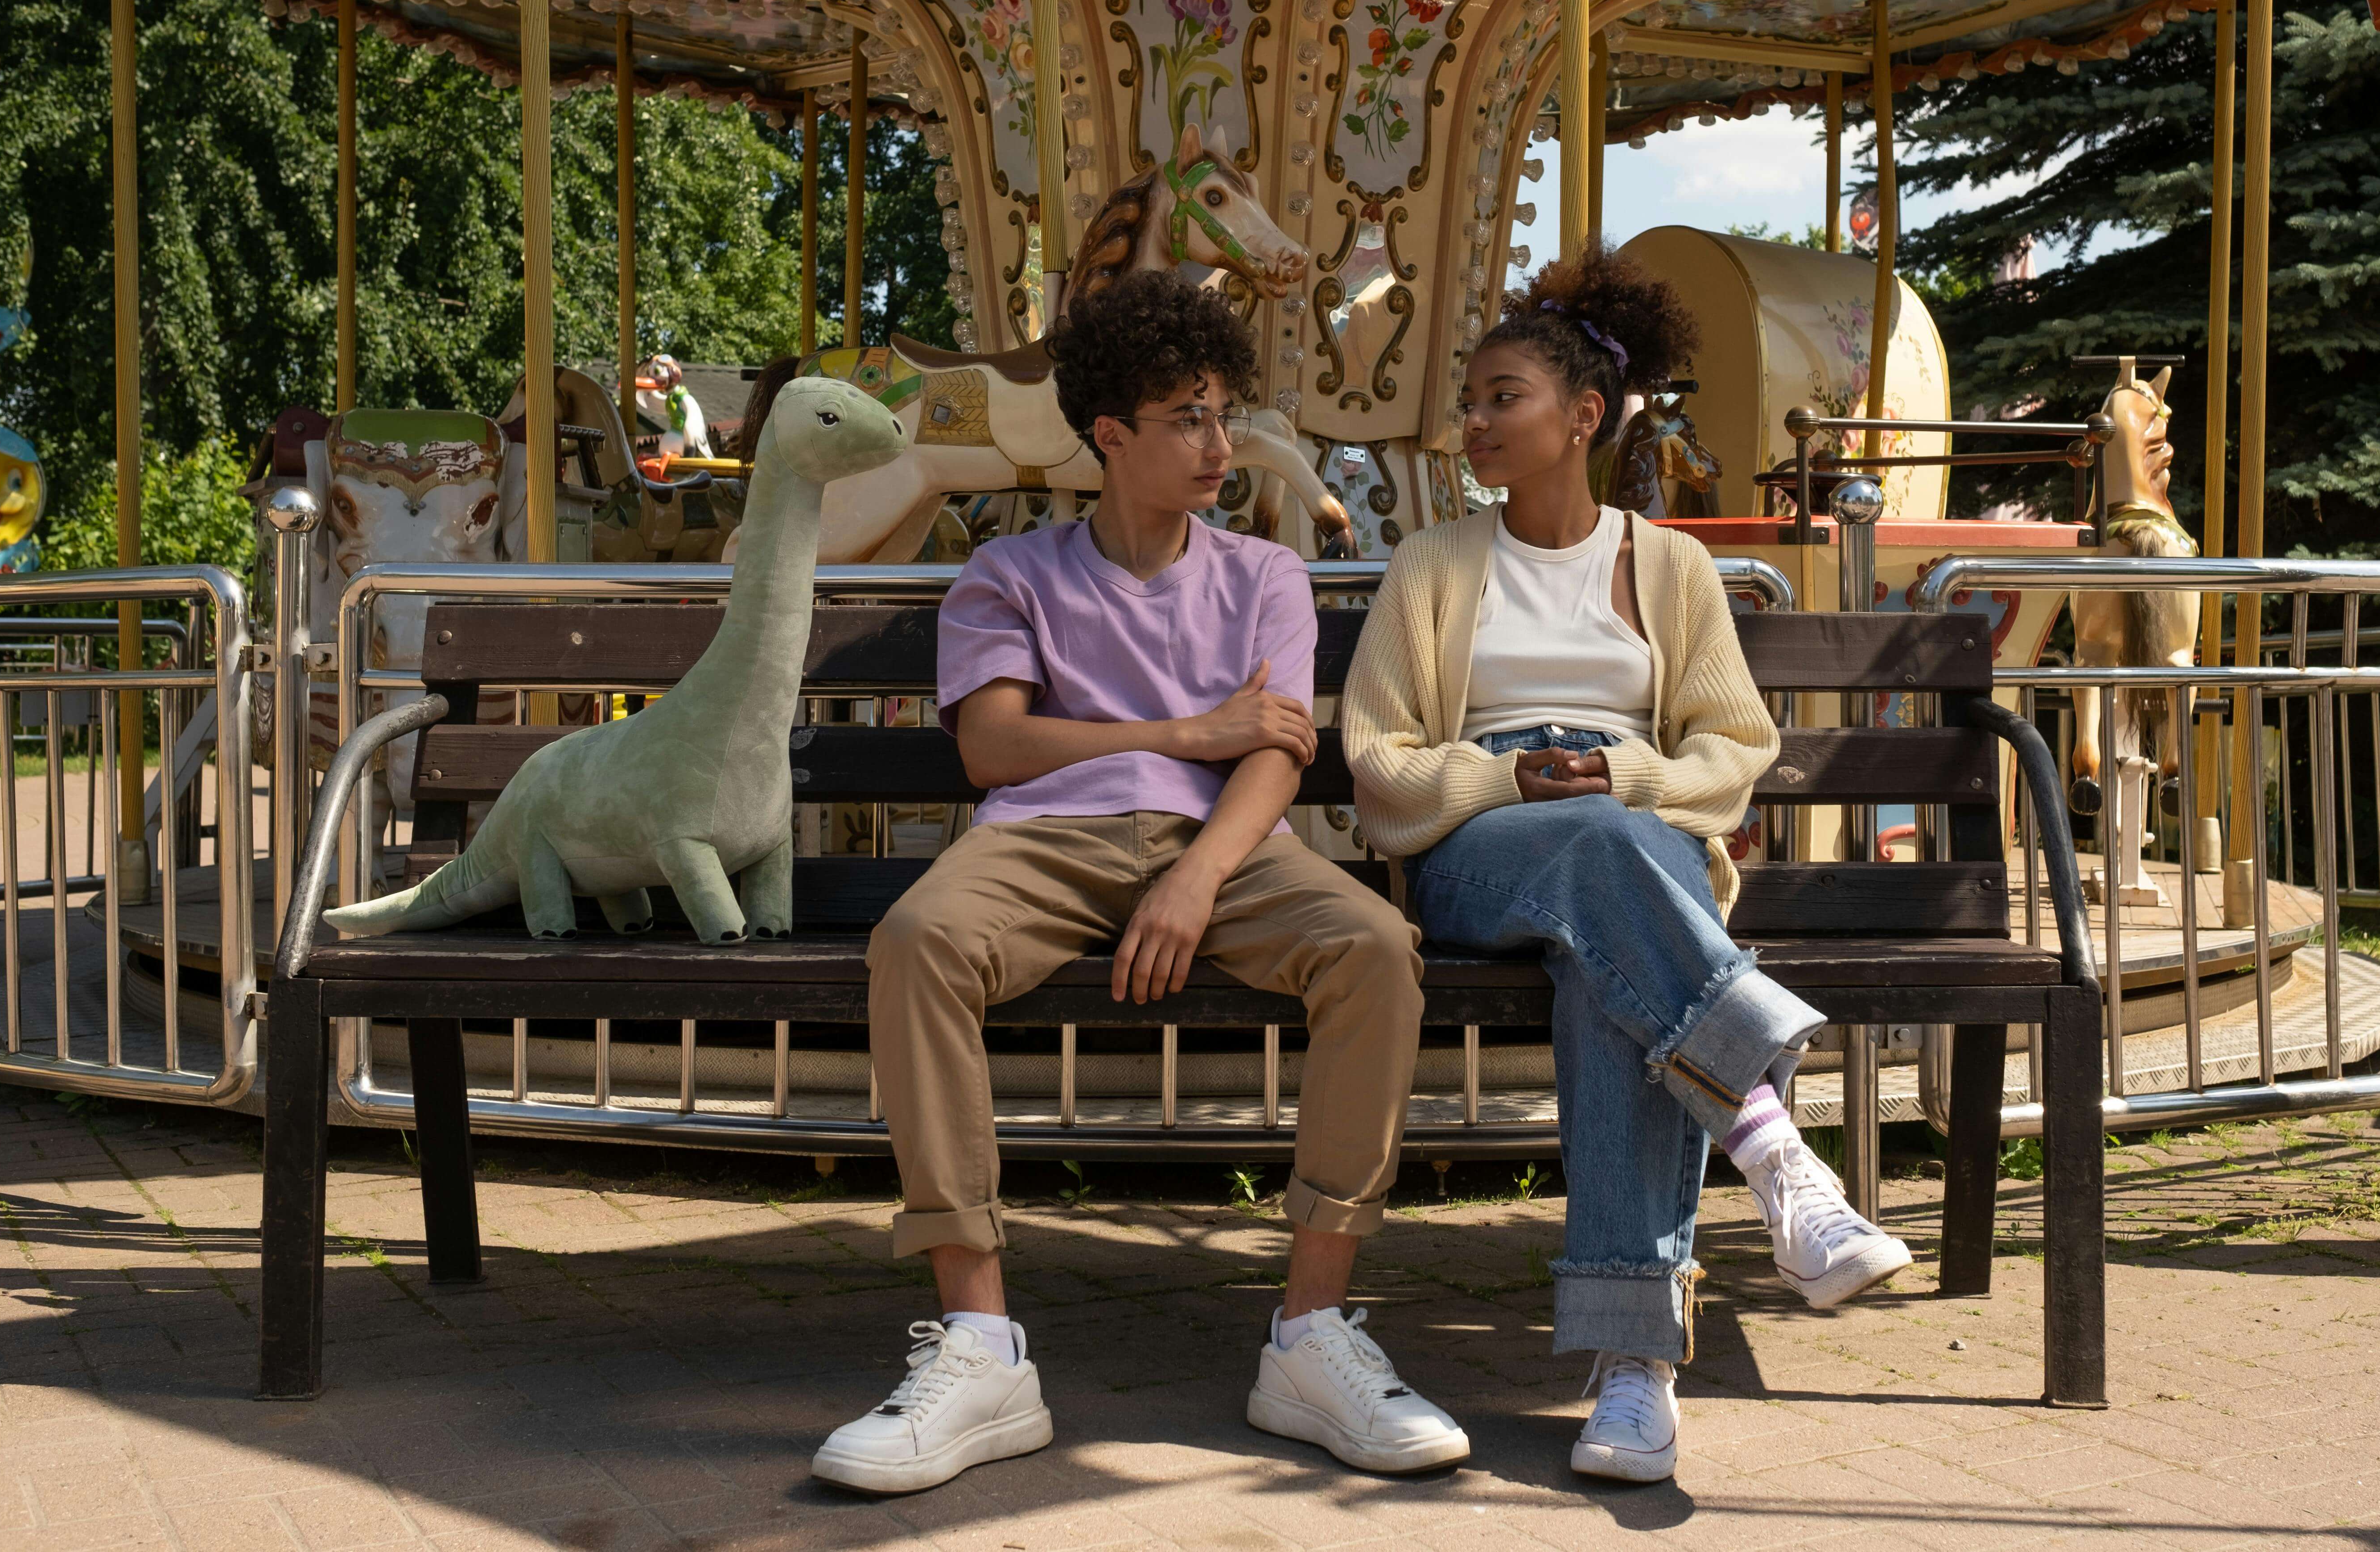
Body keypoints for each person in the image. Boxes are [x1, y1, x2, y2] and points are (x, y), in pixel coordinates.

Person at [815, 272, 1465, 1495]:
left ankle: (1311, 1333)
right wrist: (1181, 731)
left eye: (1222, 411)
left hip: (1228, 849)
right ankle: (979, 1343)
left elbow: (1273, 751)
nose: (1221, 444)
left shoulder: (1263, 574)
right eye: (1186, 417)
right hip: (1040, 844)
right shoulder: (1010, 573)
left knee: (1374, 947)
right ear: (1109, 434)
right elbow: (995, 750)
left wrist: (1194, 877)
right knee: (917, 940)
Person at [1342, 243, 1911, 1487]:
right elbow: (1380, 759)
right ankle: (1770, 1139)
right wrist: (1504, 775)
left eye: (1504, 397)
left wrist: (1630, 776)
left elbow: (1733, 748)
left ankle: (1633, 1374)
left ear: (1582, 417)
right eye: (1473, 399)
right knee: (1601, 858)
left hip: (1632, 846)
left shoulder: (1670, 567)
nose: (1475, 421)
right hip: (1475, 848)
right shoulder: (1435, 564)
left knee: (1611, 982)